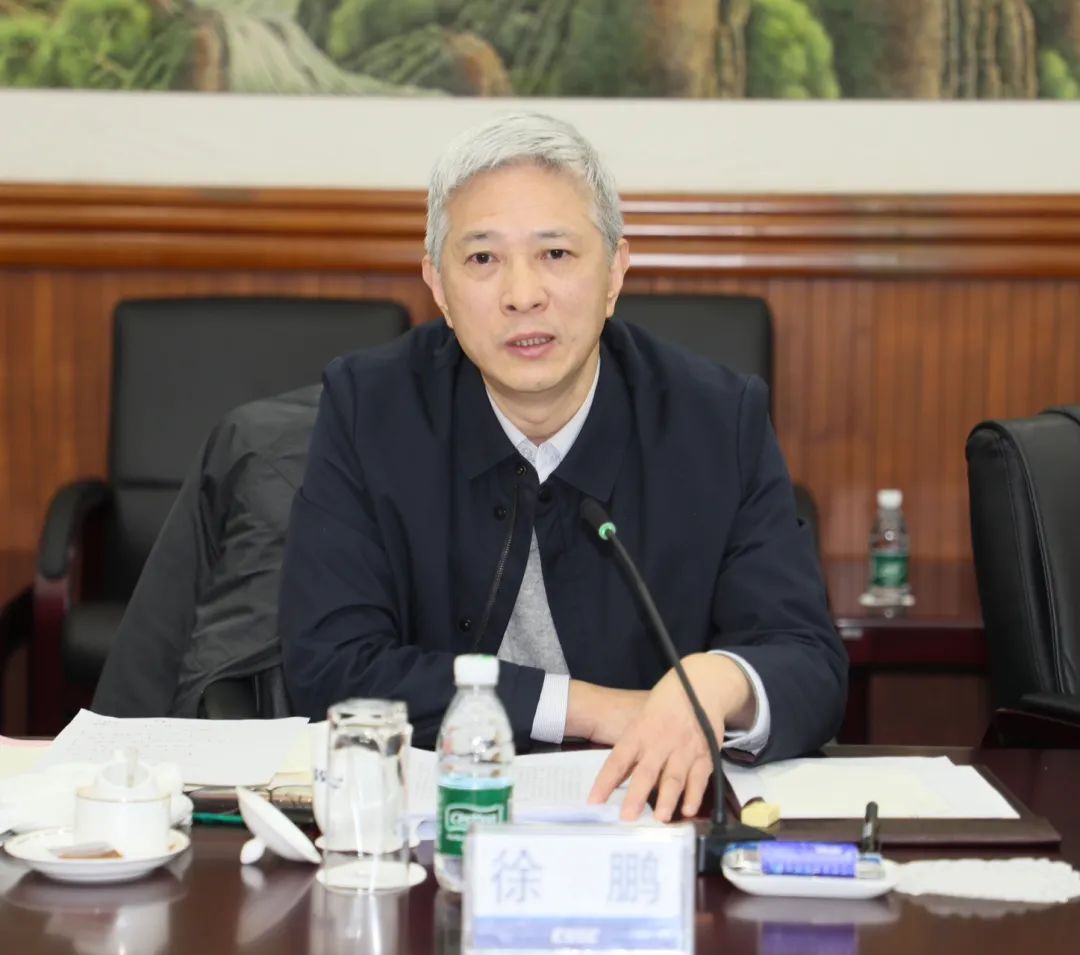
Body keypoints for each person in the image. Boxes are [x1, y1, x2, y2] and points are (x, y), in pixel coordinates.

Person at [279, 112, 846, 823]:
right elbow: (329, 666)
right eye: (482, 259)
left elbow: (810, 663)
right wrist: (594, 708)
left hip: (652, 834)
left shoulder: (714, 419)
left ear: (614, 272)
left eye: (555, 253)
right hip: (436, 832)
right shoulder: (373, 410)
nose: (522, 294)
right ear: (438, 287)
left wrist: (718, 681)